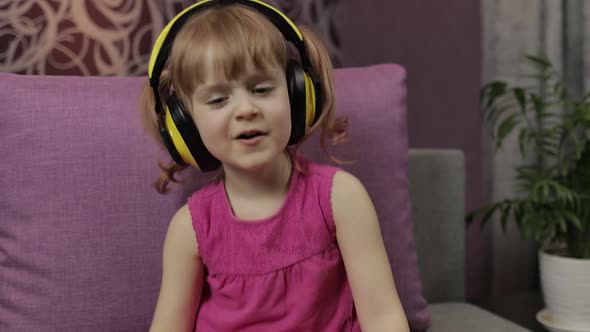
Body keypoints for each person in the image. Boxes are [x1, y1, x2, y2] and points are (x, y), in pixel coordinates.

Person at [139, 1, 409, 331]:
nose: (245, 109)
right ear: (185, 126)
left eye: (262, 89)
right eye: (218, 99)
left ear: (298, 94)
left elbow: (383, 318)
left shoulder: (341, 198)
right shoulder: (190, 229)